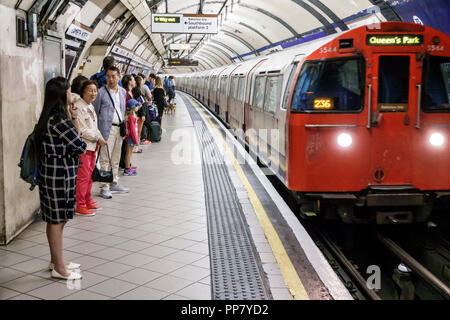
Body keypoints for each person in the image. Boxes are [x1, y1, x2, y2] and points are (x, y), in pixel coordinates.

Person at [35, 77, 86, 280]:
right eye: (68, 91)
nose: (71, 94)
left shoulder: (50, 117)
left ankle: (56, 260)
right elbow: (80, 146)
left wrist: (72, 115)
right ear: (61, 95)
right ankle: (59, 268)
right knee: (57, 220)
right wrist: (74, 119)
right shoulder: (59, 120)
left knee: (58, 219)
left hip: (54, 174)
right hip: (59, 176)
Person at [92, 66, 129, 199]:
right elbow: (95, 113)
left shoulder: (123, 92)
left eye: (113, 76)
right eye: (108, 76)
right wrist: (97, 133)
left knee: (115, 158)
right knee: (105, 159)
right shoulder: (100, 92)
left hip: (119, 128)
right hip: (106, 129)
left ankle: (114, 182)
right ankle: (104, 187)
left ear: (119, 77)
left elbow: (122, 109)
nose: (111, 79)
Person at [73, 80, 107, 216]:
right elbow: (81, 129)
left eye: (95, 91)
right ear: (83, 91)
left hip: (93, 147)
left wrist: (100, 138)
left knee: (89, 176)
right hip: (84, 147)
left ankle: (87, 200)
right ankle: (80, 205)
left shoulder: (90, 106)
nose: (93, 93)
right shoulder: (78, 107)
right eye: (90, 90)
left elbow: (94, 127)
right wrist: (96, 137)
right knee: (83, 177)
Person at [124, 99, 140, 176]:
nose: (137, 107)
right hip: (131, 137)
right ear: (133, 107)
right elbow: (133, 131)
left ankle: (128, 167)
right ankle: (127, 169)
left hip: (131, 137)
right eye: (136, 105)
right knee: (129, 153)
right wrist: (136, 140)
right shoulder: (131, 117)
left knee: (129, 153)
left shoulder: (131, 116)